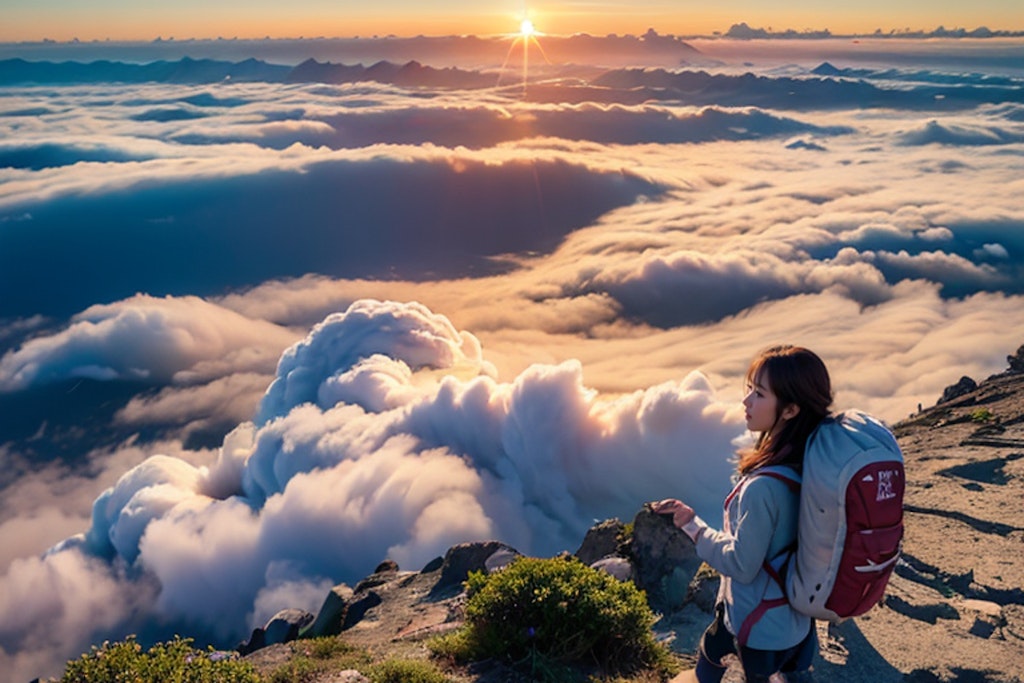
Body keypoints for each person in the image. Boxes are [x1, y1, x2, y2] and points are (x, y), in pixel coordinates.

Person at [653, 345, 832, 683]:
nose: (746, 401)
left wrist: (693, 527)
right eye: (749, 389)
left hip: (757, 626)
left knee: (709, 665)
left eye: (759, 394)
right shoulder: (812, 466)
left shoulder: (764, 487)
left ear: (791, 409)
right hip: (797, 622)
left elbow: (741, 564)